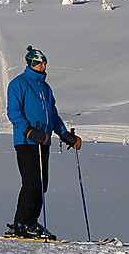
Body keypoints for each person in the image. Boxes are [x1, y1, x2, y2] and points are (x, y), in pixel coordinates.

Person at [5, 46, 81, 240]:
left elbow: (53, 116)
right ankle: (21, 224)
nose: (43, 65)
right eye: (40, 62)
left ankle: (31, 222)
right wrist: (29, 131)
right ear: (31, 63)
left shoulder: (45, 88)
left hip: (43, 142)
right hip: (26, 141)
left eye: (45, 62)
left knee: (41, 184)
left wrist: (65, 136)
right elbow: (14, 112)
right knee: (31, 183)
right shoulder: (19, 84)